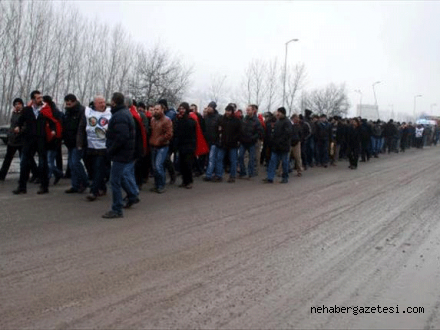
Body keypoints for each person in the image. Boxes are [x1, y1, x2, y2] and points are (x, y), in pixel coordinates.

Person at [102, 92, 137, 219]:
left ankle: (117, 209)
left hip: (121, 153)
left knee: (114, 181)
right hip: (124, 151)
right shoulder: (123, 113)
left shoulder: (120, 115)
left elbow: (122, 136)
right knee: (120, 177)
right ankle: (132, 195)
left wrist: (111, 149)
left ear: (114, 102)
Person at [13, 90, 54, 194]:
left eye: (41, 97)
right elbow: (20, 120)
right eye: (38, 98)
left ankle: (44, 186)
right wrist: (17, 126)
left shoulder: (45, 110)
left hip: (41, 139)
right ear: (33, 99)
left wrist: (53, 130)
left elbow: (51, 120)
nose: (41, 99)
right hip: (29, 139)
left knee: (43, 163)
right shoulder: (27, 110)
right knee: (24, 163)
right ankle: (22, 187)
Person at [76, 96, 112, 201]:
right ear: (95, 104)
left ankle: (94, 191)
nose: (102, 104)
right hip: (90, 146)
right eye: (100, 102)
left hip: (103, 147)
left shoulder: (110, 113)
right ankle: (102, 187)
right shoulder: (88, 113)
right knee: (91, 169)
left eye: (104, 102)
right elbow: (81, 128)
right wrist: (79, 143)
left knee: (98, 168)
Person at [0, 98, 38, 181]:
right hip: (12, 140)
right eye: (16, 104)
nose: (17, 105)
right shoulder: (14, 113)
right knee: (7, 159)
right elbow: (12, 125)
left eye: (19, 104)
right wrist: (10, 134)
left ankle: (34, 174)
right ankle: (2, 175)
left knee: (26, 159)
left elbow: (26, 125)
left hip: (21, 141)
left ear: (22, 105)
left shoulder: (24, 113)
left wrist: (20, 130)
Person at [204, 104, 242, 183]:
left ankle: (232, 176)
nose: (227, 112)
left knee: (233, 160)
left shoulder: (237, 120)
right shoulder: (222, 119)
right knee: (219, 159)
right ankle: (219, 175)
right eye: (226, 111)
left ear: (232, 112)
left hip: (233, 144)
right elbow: (219, 130)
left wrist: (236, 140)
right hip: (223, 143)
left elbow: (240, 132)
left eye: (229, 111)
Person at [63, 94, 89, 193]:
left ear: (74, 101)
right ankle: (75, 185)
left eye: (70, 101)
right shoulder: (67, 112)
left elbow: (81, 128)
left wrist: (80, 142)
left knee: (75, 163)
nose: (68, 103)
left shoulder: (81, 111)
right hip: (69, 142)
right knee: (71, 164)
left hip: (78, 142)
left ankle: (84, 181)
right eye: (67, 102)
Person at [263, 107, 292, 184]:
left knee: (284, 163)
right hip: (276, 146)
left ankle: (285, 177)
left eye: (279, 112)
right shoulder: (277, 122)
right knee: (272, 162)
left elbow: (287, 134)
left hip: (283, 146)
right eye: (277, 112)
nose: (277, 114)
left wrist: (279, 141)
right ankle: (270, 177)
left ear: (283, 113)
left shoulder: (287, 122)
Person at [149, 101, 173, 193]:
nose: (155, 111)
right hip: (153, 145)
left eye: (157, 109)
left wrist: (160, 139)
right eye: (154, 109)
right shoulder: (152, 120)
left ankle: (161, 185)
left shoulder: (167, 120)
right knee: (154, 167)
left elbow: (169, 134)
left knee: (159, 166)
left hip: (162, 146)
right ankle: (157, 184)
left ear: (162, 110)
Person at [41, 95, 63, 185]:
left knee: (49, 161)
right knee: (48, 160)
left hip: (54, 140)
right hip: (47, 139)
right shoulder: (46, 111)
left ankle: (55, 174)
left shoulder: (54, 113)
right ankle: (54, 174)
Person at [174, 102, 197, 188]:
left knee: (188, 164)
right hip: (181, 145)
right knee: (182, 164)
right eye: (180, 109)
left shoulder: (190, 119)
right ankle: (184, 181)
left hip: (189, 145)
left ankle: (189, 181)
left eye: (183, 109)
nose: (181, 110)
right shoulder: (178, 119)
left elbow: (192, 132)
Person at [238, 105, 263, 179]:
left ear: (253, 111)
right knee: (240, 157)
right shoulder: (244, 119)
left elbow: (259, 132)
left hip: (251, 142)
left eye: (249, 110)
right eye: (247, 110)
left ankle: (250, 173)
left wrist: (253, 138)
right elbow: (240, 130)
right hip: (243, 142)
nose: (247, 111)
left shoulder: (256, 121)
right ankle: (243, 172)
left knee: (251, 159)